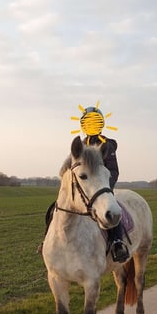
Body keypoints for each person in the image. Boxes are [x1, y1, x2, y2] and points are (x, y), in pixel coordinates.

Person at [38, 105, 129, 263]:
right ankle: (46, 240)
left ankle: (117, 242)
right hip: (82, 188)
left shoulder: (107, 145)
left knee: (112, 211)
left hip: (101, 187)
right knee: (53, 209)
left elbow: (113, 170)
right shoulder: (80, 144)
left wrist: (107, 185)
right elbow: (66, 169)